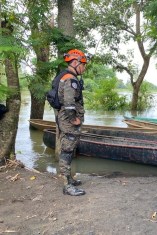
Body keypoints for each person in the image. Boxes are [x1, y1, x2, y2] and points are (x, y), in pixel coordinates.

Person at [55, 49, 88, 196]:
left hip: (65, 121)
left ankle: (69, 179)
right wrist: (74, 119)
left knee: (69, 149)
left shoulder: (67, 76)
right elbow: (68, 102)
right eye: (83, 64)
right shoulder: (70, 79)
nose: (84, 68)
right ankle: (67, 186)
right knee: (67, 152)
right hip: (69, 122)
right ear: (75, 63)